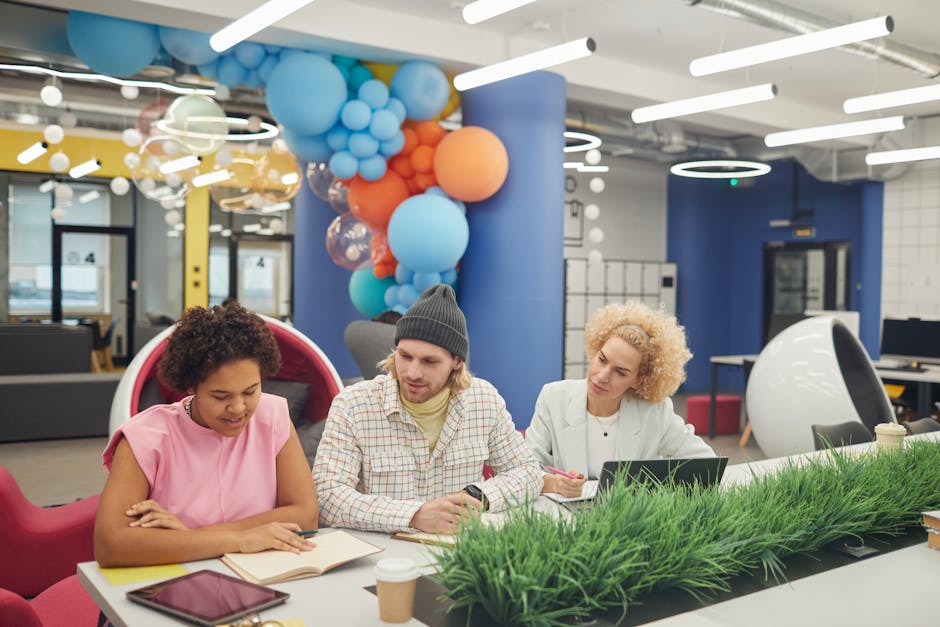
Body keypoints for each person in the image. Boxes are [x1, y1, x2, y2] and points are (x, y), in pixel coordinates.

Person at [94, 302, 318, 567]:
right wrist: (239, 540)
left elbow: (305, 515)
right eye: (220, 396)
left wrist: (188, 537)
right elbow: (110, 546)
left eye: (250, 391)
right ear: (190, 386)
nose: (237, 409)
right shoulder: (145, 437)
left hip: (263, 571)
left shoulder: (273, 416)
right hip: (176, 581)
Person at [315, 284, 542, 533]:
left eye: (429, 361)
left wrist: (479, 497)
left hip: (460, 551)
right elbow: (327, 497)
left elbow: (528, 471)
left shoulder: (483, 399)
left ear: (457, 362)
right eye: (405, 356)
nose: (412, 373)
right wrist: (414, 515)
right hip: (383, 557)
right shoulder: (353, 405)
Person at [526, 302, 715, 497]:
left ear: (638, 380)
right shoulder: (553, 397)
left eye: (620, 372)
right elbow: (523, 470)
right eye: (602, 360)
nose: (601, 376)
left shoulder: (655, 411)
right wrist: (554, 483)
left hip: (629, 518)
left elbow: (706, 464)